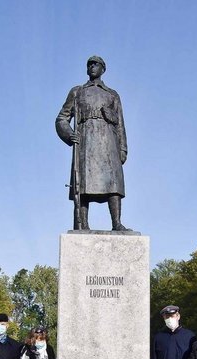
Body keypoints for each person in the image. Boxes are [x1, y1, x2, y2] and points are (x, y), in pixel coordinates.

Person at [56, 55, 129, 231]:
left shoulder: (112, 94)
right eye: (89, 64)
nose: (92, 67)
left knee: (113, 183)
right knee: (83, 184)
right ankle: (83, 224)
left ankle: (116, 223)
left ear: (103, 69)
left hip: (108, 142)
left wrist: (123, 148)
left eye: (96, 64)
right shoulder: (77, 91)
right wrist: (69, 134)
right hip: (86, 141)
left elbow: (120, 124)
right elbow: (62, 118)